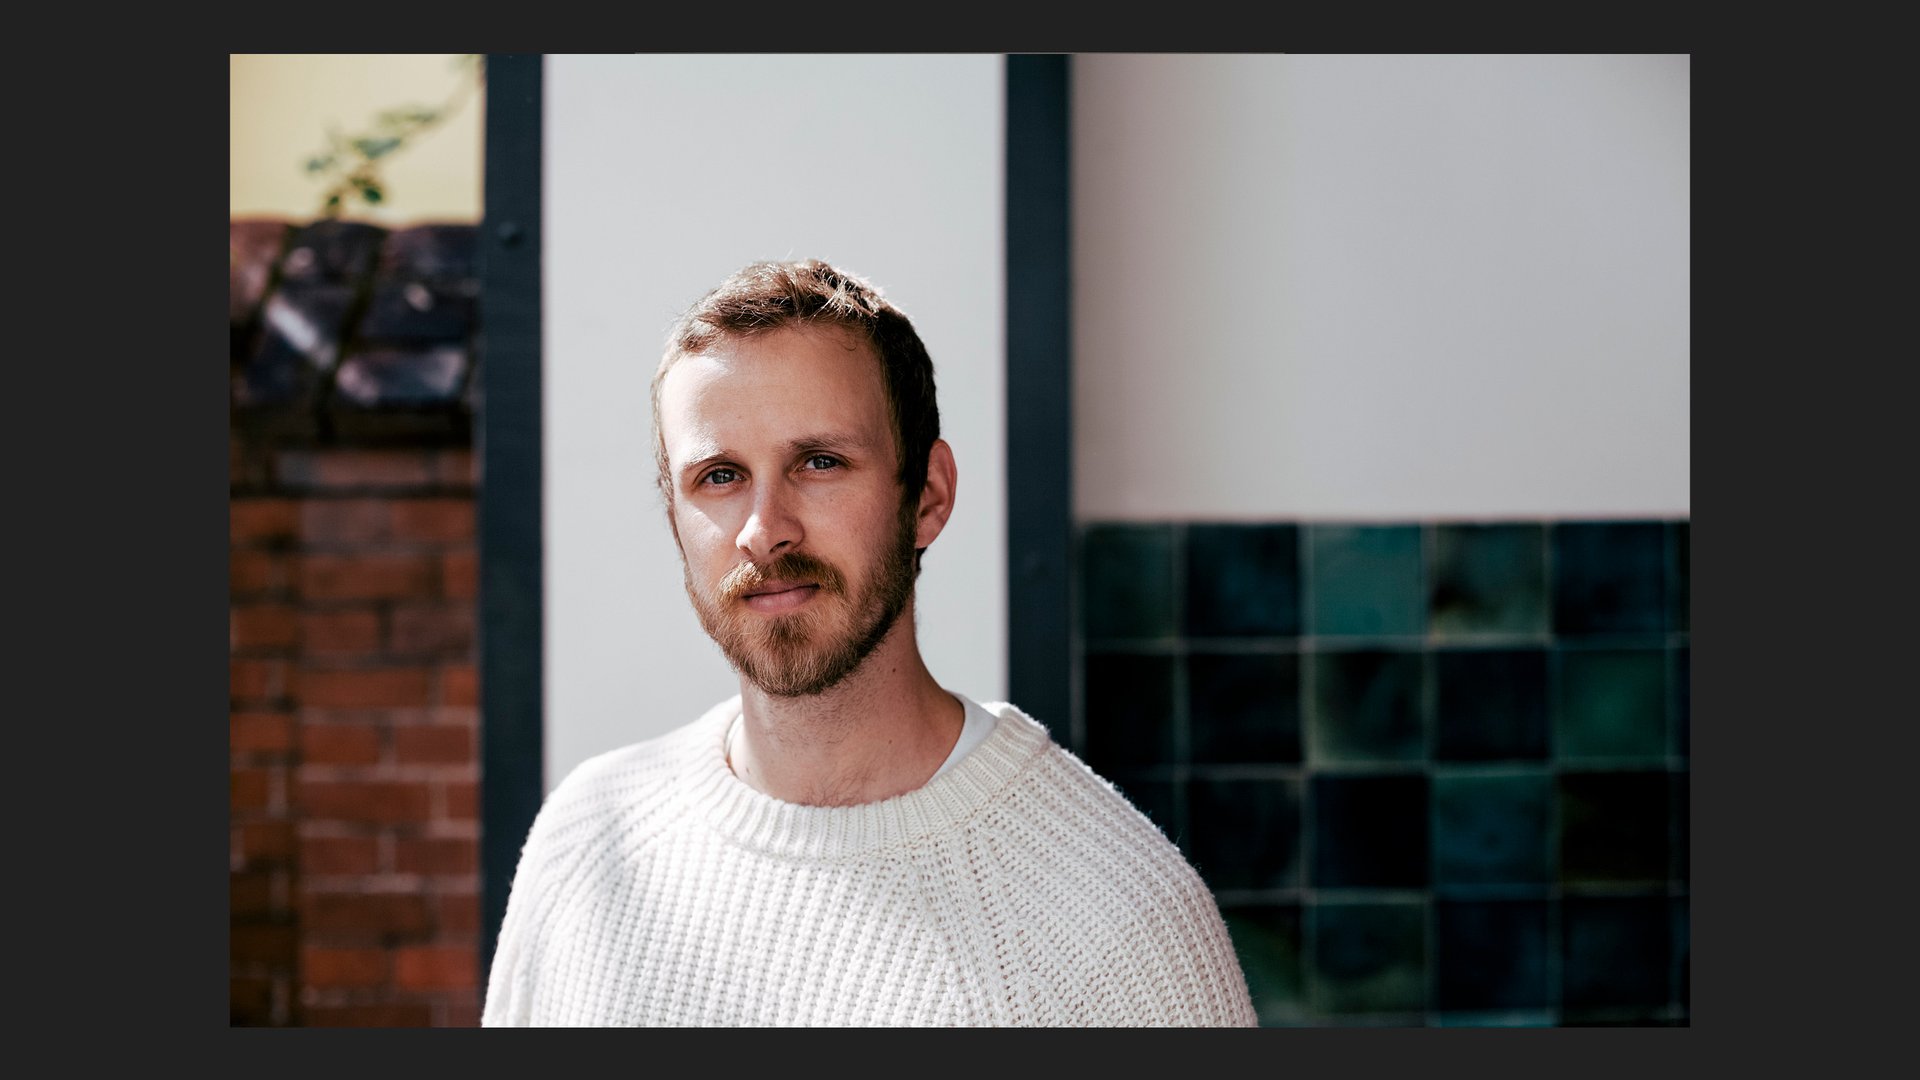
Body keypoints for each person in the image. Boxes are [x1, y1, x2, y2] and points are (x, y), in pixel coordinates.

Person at [481, 258, 1257, 1027]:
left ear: (928, 495)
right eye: (718, 476)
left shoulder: (1119, 920)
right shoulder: (587, 841)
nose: (764, 531)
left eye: (819, 463)